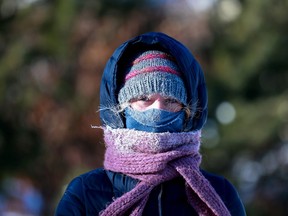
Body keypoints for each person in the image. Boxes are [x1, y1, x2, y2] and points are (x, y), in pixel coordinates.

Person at [55, 32, 246, 216]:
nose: (157, 110)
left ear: (187, 114)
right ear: (120, 110)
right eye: (144, 98)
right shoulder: (85, 194)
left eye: (171, 101)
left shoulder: (221, 195)